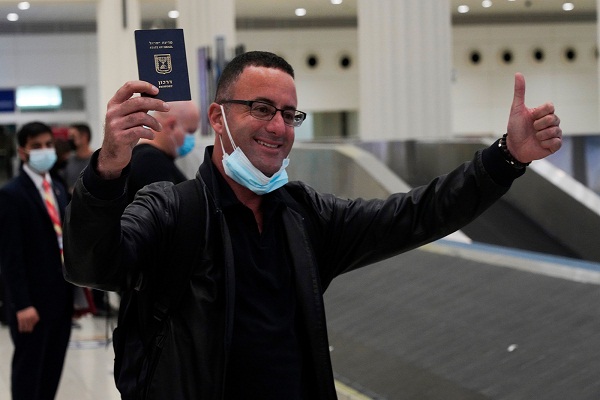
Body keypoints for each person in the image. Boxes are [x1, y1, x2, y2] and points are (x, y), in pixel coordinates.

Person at [62, 51, 562, 399]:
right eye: (261, 109)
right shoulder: (173, 210)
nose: (278, 127)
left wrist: (506, 158)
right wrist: (108, 169)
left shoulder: (305, 217)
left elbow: (415, 215)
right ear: (218, 117)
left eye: (289, 114)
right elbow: (90, 266)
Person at [0, 121, 74, 400]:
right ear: (22, 151)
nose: (45, 150)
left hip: (60, 299)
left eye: (48, 145)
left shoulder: (57, 187)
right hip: (32, 305)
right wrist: (22, 304)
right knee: (28, 376)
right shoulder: (11, 195)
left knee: (51, 374)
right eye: (37, 146)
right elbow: (10, 256)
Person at [126, 101, 200, 203]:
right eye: (190, 131)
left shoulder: (155, 159)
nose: (192, 139)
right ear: (171, 125)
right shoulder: (150, 161)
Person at [63, 123, 94, 193]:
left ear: (84, 137)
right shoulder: (67, 160)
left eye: (73, 136)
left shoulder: (96, 161)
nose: (70, 140)